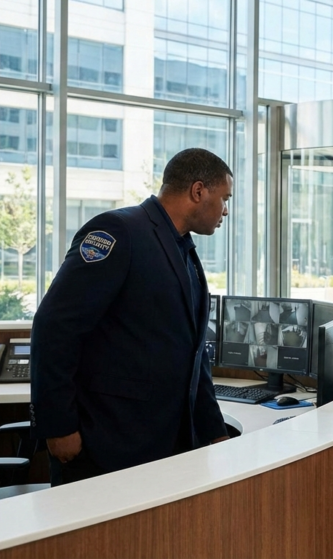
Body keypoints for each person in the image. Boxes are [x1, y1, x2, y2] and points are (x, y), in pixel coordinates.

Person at [30, 148, 234, 485]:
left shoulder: (184, 250)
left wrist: (214, 431)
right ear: (199, 191)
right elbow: (55, 328)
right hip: (105, 445)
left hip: (160, 448)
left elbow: (192, 355)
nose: (226, 210)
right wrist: (59, 426)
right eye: (224, 198)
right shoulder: (118, 232)